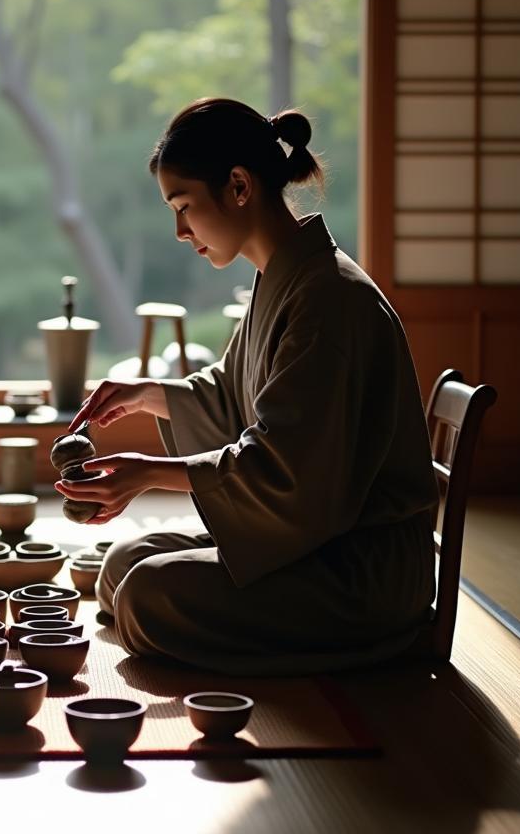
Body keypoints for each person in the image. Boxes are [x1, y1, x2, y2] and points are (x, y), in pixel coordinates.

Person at [58, 97, 438, 675]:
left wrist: (148, 473)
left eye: (184, 206)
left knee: (146, 596)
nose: (181, 231)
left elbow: (286, 469)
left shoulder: (328, 299)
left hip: (360, 571)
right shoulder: (284, 279)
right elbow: (232, 394)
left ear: (238, 185)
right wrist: (146, 393)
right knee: (122, 566)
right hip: (316, 544)